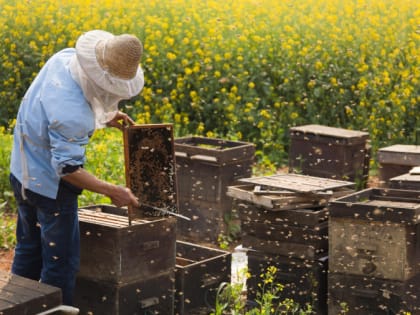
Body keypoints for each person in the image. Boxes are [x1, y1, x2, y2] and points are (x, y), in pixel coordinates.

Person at [9, 30, 143, 305]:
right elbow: (68, 169)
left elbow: (56, 105)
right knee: (61, 263)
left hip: (20, 171)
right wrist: (112, 190)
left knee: (29, 248)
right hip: (49, 187)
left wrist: (104, 115)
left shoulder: (64, 59)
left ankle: (15, 307)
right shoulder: (73, 115)